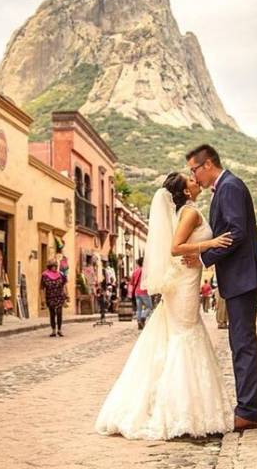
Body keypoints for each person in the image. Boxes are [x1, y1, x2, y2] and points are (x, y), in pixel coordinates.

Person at [95, 172, 235, 440]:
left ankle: (182, 408)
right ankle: (180, 412)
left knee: (181, 335)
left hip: (186, 277)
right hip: (184, 282)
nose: (195, 181)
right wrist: (211, 244)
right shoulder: (190, 213)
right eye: (190, 180)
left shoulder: (186, 213)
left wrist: (200, 253)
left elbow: (181, 248)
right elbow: (175, 247)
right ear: (184, 192)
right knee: (185, 335)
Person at [181, 144, 257, 433]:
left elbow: (236, 233)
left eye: (194, 170)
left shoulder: (229, 187)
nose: (193, 177)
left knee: (243, 343)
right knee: (240, 342)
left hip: (242, 275)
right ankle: (247, 408)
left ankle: (247, 411)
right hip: (239, 276)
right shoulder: (226, 188)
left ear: (207, 165)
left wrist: (205, 257)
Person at [40, 259, 67, 337]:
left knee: (59, 313)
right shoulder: (45, 275)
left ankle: (59, 329)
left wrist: (66, 295)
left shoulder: (61, 274)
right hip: (50, 297)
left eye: (55, 266)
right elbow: (42, 288)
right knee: (52, 313)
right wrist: (43, 299)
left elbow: (64, 285)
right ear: (49, 267)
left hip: (59, 296)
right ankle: (53, 330)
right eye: (52, 266)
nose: (54, 268)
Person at [129, 257, 152, 329]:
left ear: (138, 263)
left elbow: (131, 283)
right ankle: (143, 318)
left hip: (136, 292)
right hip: (144, 291)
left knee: (138, 309)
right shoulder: (147, 272)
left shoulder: (135, 272)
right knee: (149, 307)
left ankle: (139, 323)